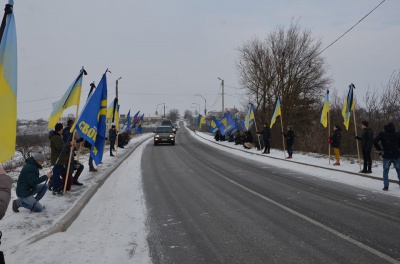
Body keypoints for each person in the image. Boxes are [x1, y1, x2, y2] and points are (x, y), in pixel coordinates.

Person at [373, 122, 400, 191]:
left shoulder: (382, 134)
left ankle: (386, 185)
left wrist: (380, 149)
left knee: (385, 170)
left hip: (386, 154)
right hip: (396, 154)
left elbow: (375, 141)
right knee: (398, 169)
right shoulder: (397, 134)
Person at [50, 123, 75, 196]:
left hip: (61, 160)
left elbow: (62, 147)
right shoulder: (55, 137)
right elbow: (60, 147)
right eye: (62, 129)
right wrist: (69, 143)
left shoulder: (58, 136)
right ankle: (55, 188)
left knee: (63, 173)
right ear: (60, 129)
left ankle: (62, 185)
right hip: (57, 160)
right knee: (56, 175)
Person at [62, 119, 84, 185]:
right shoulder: (67, 132)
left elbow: (73, 141)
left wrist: (79, 140)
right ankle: (69, 180)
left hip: (71, 153)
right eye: (73, 124)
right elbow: (69, 142)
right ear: (70, 124)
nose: (74, 125)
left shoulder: (70, 131)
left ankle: (73, 180)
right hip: (67, 154)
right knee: (69, 167)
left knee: (80, 166)